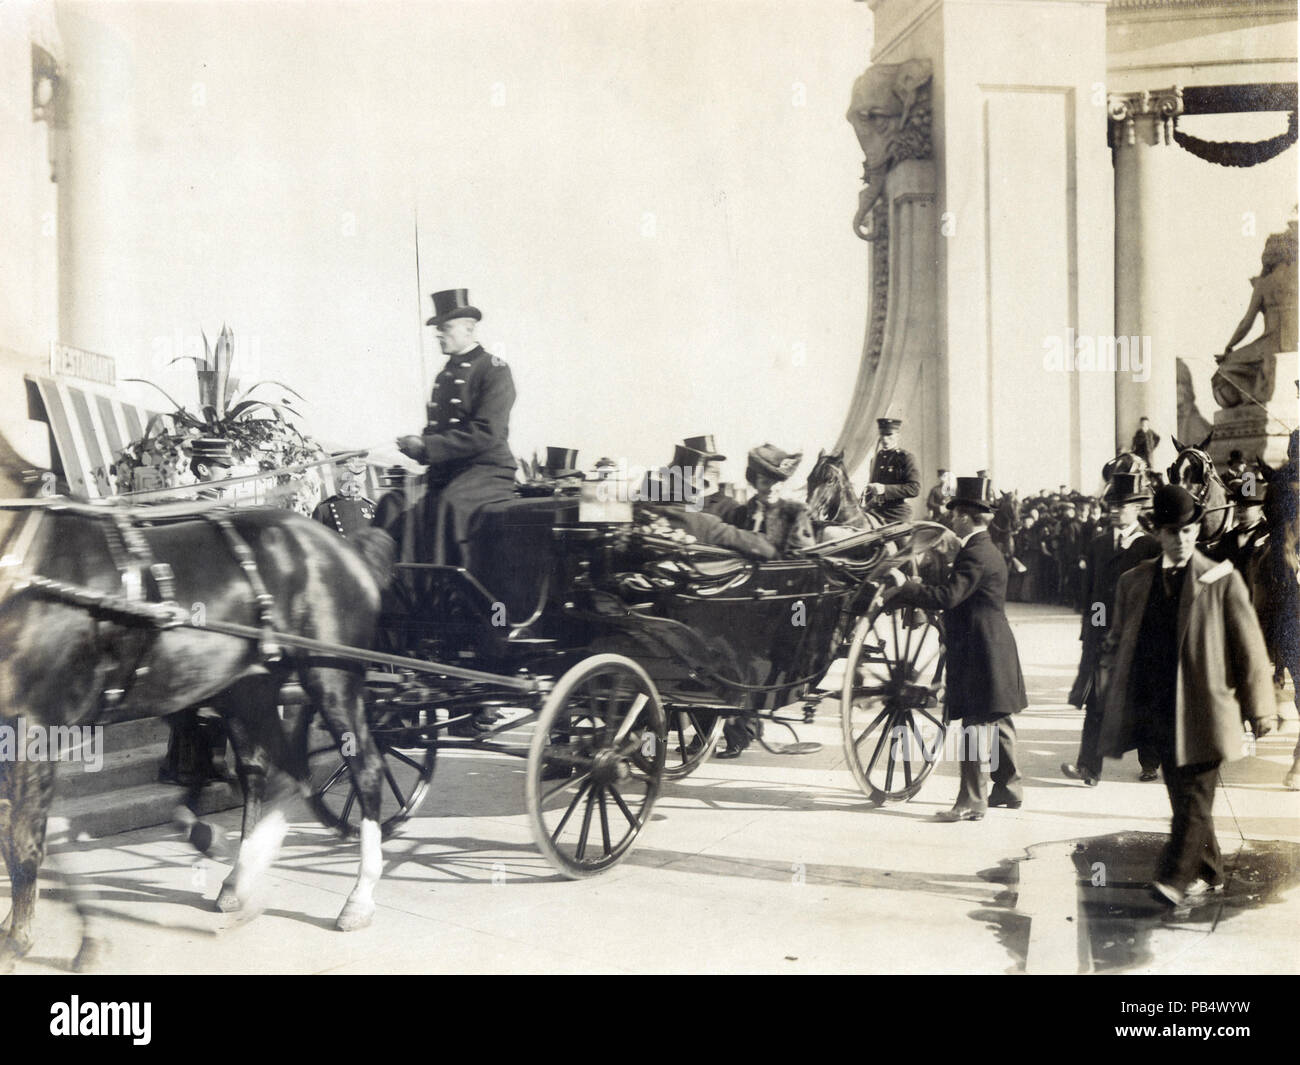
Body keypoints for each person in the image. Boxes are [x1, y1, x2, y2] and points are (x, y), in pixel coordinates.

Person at [1098, 485, 1275, 906]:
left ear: (1197, 530)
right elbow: (1120, 638)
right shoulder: (1135, 581)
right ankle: (1209, 869)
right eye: (1171, 531)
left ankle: (1173, 878)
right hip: (1160, 709)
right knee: (1183, 796)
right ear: (1157, 533)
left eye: (1188, 530)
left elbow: (1248, 649)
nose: (1180, 539)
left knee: (1195, 797)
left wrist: (1261, 711)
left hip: (1206, 709)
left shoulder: (1221, 579)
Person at [885, 475, 1027, 820]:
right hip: (994, 646)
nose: (950, 518)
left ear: (965, 516)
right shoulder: (984, 548)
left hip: (981, 649)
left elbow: (949, 597)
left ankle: (971, 802)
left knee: (975, 725)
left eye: (954, 512)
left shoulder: (975, 553)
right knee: (998, 716)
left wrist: (906, 586)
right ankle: (1009, 788)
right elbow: (958, 590)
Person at [396, 289, 517, 571]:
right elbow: (437, 427)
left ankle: (452, 600)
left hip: (487, 471)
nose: (439, 335)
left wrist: (427, 446)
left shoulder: (494, 369)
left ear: (468, 328)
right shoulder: (445, 374)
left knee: (449, 506)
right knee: (395, 504)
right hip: (448, 471)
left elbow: (486, 432)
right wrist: (418, 446)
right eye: (438, 330)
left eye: (445, 328)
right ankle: (403, 595)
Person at [1062, 472, 1162, 786]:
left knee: (1142, 702)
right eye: (1113, 505)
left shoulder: (1150, 546)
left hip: (1139, 638)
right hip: (1104, 637)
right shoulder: (1099, 544)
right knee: (1097, 701)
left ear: (1138, 509)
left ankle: (1150, 761)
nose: (1116, 510)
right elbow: (1093, 594)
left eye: (1123, 505)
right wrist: (1093, 634)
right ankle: (1089, 768)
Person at [726, 445, 816, 552]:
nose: (772, 488)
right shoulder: (740, 513)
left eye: (777, 483)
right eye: (765, 482)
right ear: (755, 483)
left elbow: (804, 555)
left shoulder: (794, 513)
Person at [860, 417, 919, 524]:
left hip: (896, 514)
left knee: (903, 540)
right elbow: (872, 488)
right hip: (875, 512)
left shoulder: (905, 458)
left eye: (889, 435)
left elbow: (914, 489)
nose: (885, 439)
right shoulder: (875, 459)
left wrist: (885, 489)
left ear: (897, 436)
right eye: (882, 435)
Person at [312, 456, 377, 539]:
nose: (354, 480)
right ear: (339, 477)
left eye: (359, 475)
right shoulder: (324, 509)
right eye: (349, 475)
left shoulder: (372, 508)